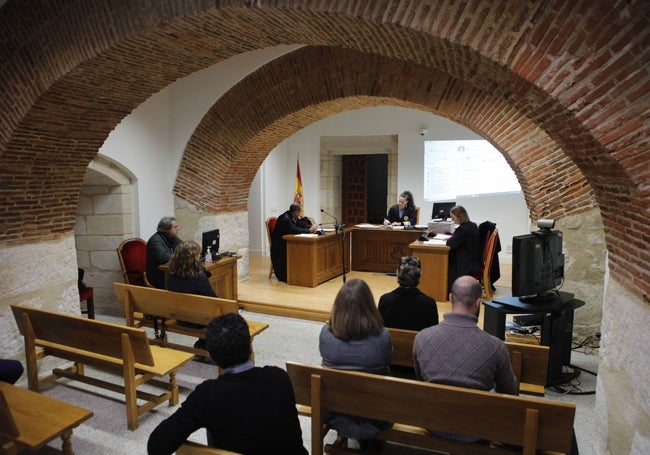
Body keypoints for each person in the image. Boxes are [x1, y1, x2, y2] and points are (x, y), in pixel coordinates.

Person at [147, 313, 308, 455]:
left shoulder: (208, 395)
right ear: (251, 346)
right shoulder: (279, 377)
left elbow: (157, 445)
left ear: (211, 355)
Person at [413, 276, 518, 442]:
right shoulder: (495, 346)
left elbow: (421, 380)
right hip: (475, 429)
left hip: (434, 423)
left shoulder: (422, 338)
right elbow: (510, 394)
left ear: (450, 298)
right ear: (478, 303)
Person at [319, 278, 392, 445]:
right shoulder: (382, 338)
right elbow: (388, 362)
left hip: (335, 412)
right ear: (369, 306)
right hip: (376, 416)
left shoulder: (326, 334)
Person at [378, 256, 439, 331]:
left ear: (397, 274)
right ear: (420, 275)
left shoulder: (385, 300)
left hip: (392, 342)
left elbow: (379, 329)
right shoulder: (429, 303)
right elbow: (433, 332)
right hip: (419, 342)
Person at [270, 203, 318, 282]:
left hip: (288, 242)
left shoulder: (292, 216)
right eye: (299, 212)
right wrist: (309, 230)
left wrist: (310, 227)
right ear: (296, 212)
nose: (300, 214)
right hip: (281, 246)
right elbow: (294, 229)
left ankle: (301, 272)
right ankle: (295, 273)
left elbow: (300, 224)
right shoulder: (285, 218)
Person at [445, 205, 481, 290]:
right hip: (474, 260)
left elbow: (450, 243)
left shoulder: (462, 229)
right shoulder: (473, 225)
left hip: (465, 264)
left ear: (460, 217)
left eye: (453, 218)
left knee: (445, 261)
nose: (452, 220)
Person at [146, 216, 182, 289]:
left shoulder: (172, 237)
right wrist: (184, 256)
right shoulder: (155, 241)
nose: (178, 229)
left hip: (169, 272)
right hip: (158, 276)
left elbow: (184, 247)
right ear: (166, 230)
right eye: (175, 227)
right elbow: (165, 257)